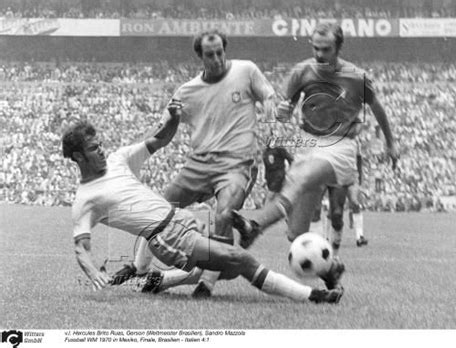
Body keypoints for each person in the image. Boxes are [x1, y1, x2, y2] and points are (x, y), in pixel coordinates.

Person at [63, 119, 344, 304]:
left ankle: (158, 281)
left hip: (183, 220)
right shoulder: (85, 199)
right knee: (239, 257)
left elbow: (158, 140)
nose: (100, 150)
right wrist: (91, 271)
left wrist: (172, 119)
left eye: (99, 144)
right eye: (92, 148)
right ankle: (314, 296)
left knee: (231, 271)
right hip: (166, 237)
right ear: (78, 157)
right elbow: (81, 247)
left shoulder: (117, 159)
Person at [113, 29, 278, 297]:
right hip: (199, 165)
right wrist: (133, 151)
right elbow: (161, 131)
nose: (217, 59)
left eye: (220, 53)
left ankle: (206, 285)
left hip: (236, 164)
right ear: (200, 57)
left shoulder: (246, 71)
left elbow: (269, 97)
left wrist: (272, 121)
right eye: (210, 55)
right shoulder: (187, 92)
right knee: (159, 210)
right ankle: (140, 267)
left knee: (223, 215)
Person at [232, 22, 398, 250]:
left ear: (338, 47)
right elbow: (286, 109)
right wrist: (283, 112)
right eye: (316, 48)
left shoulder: (356, 76)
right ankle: (331, 270)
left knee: (302, 178)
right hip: (308, 143)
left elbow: (378, 108)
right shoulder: (302, 71)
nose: (320, 54)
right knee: (295, 233)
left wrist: (390, 143)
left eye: (326, 49)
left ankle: (255, 225)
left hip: (340, 146)